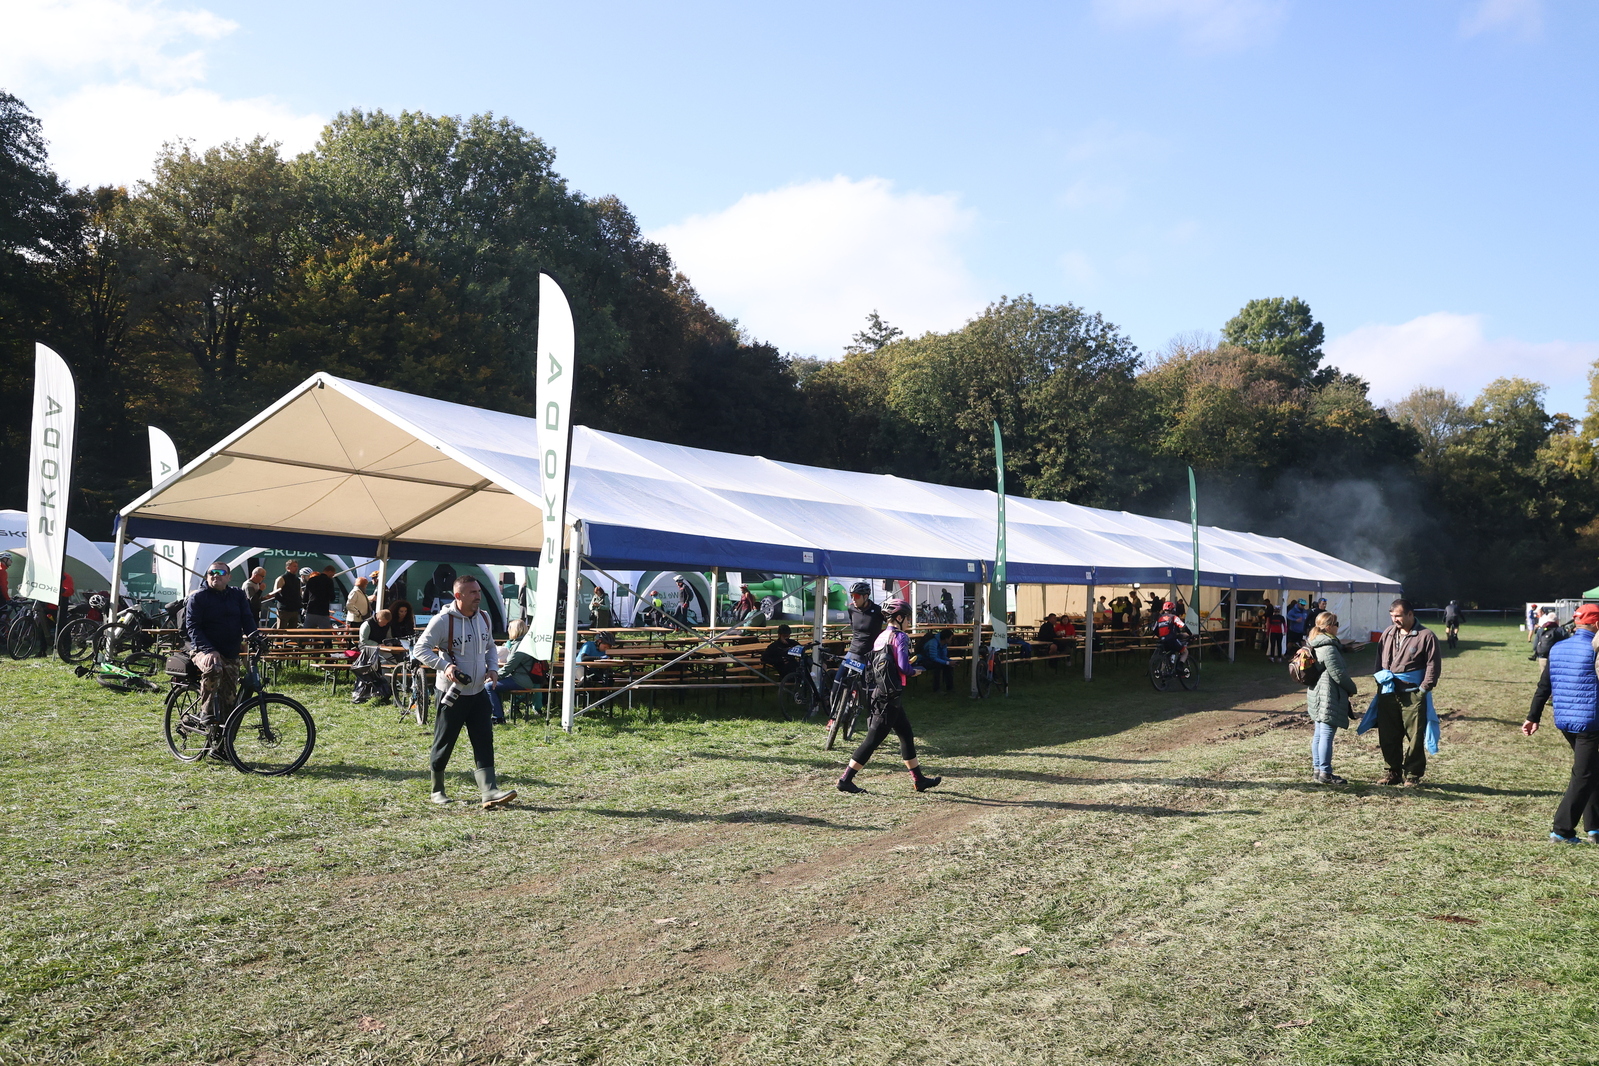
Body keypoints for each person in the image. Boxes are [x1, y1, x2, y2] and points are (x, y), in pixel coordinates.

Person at [414, 575, 514, 809]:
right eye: (473, 592)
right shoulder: (442, 620)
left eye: (479, 591)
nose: (478, 596)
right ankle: (437, 789)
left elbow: (490, 647)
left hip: (478, 691)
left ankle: (489, 791)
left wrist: (492, 668)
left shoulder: (484, 617)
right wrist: (445, 666)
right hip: (452, 693)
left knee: (484, 739)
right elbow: (420, 649)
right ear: (458, 596)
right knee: (444, 741)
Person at [837, 599, 940, 794]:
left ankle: (919, 780)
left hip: (880, 692)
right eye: (907, 618)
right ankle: (845, 779)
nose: (908, 622)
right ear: (899, 618)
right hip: (888, 697)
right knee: (871, 741)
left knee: (906, 734)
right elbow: (903, 667)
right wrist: (915, 671)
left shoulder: (881, 636)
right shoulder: (900, 637)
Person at [1522, 603, 1599, 845]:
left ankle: (1595, 827)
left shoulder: (1558, 647)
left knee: (1591, 769)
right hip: (1590, 722)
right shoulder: (1596, 650)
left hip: (1565, 721)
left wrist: (1533, 716)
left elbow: (1544, 685)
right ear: (1597, 624)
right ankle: (1562, 830)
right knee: (1584, 774)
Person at [1360, 598, 1442, 786]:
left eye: (1398, 616)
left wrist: (1424, 689)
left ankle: (1412, 774)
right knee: (1388, 734)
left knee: (1415, 736)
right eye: (1392, 616)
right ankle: (1393, 772)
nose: (1394, 620)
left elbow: (1433, 665)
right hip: (1388, 692)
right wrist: (1379, 681)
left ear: (1410, 614)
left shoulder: (1425, 636)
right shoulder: (1388, 633)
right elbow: (1379, 660)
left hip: (1413, 693)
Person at [183, 561, 260, 727]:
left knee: (230, 700)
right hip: (202, 650)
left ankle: (222, 738)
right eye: (212, 573)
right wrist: (209, 649)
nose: (216, 575)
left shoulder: (237, 595)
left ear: (229, 577)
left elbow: (247, 619)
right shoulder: (198, 597)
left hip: (230, 651)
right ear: (207, 577)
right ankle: (206, 711)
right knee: (214, 667)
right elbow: (193, 627)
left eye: (221, 572)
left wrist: (256, 637)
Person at [1305, 611, 1359, 785]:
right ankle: (1325, 773)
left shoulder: (1315, 642)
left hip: (1317, 693)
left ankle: (1318, 770)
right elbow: (1338, 673)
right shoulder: (1328, 647)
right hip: (1327, 694)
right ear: (1328, 627)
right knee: (1326, 734)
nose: (1338, 627)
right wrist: (1352, 688)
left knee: (1319, 734)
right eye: (1336, 624)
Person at [488, 619, 544, 723]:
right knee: (492, 685)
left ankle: (498, 717)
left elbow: (509, 666)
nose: (508, 631)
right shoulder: (526, 643)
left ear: (514, 630)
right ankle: (498, 715)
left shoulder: (520, 645)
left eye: (509, 628)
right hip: (524, 678)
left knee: (489, 686)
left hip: (521, 680)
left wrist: (494, 676)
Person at [1149, 601, 1191, 669]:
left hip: (1162, 641)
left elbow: (1154, 630)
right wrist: (1190, 634)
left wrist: (1161, 636)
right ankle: (1180, 667)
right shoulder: (1173, 617)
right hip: (1171, 640)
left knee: (1166, 656)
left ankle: (1163, 671)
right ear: (1172, 609)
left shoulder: (1160, 618)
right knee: (1185, 652)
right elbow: (1183, 626)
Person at [269, 559, 302, 628]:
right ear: (288, 567)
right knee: (281, 629)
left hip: (295, 610)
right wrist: (285, 603)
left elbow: (299, 594)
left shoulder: (297, 580)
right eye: (294, 566)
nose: (296, 568)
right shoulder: (281, 578)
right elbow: (276, 593)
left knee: (293, 631)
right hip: (284, 610)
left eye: (297, 566)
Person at [922, 627, 954, 692]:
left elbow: (943, 656)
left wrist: (950, 662)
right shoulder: (933, 642)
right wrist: (947, 662)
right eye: (951, 638)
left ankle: (950, 688)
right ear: (946, 639)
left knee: (948, 666)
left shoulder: (944, 644)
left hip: (935, 660)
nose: (951, 640)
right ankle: (936, 688)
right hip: (924, 660)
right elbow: (933, 658)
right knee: (937, 666)